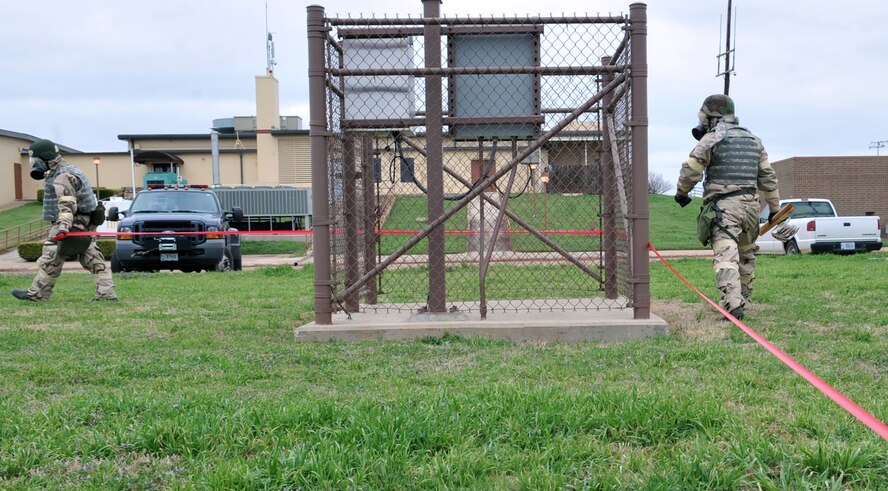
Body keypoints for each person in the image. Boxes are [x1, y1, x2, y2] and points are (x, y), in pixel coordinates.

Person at [673, 95, 779, 320]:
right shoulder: (754, 140)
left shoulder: (713, 138)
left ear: (712, 116)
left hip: (725, 206)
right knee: (746, 254)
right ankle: (743, 299)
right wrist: (775, 207)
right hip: (751, 206)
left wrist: (682, 193)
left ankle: (732, 304)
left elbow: (691, 169)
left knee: (726, 255)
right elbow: (768, 176)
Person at [11, 139, 118, 302]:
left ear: (43, 159)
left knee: (51, 257)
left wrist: (63, 228)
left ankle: (37, 294)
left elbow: (67, 205)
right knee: (94, 259)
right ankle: (107, 293)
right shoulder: (69, 169)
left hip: (69, 223)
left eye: (35, 160)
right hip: (83, 223)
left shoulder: (62, 176)